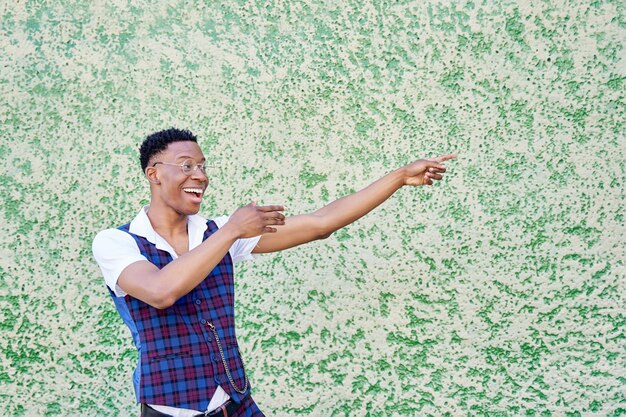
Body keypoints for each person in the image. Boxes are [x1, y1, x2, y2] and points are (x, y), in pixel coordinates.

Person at [92, 128, 456, 417]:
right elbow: (160, 290)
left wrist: (398, 177)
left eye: (202, 166)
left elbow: (320, 223)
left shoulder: (216, 233)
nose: (199, 175)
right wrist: (232, 230)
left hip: (237, 404)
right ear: (153, 174)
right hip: (172, 410)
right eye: (186, 166)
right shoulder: (116, 242)